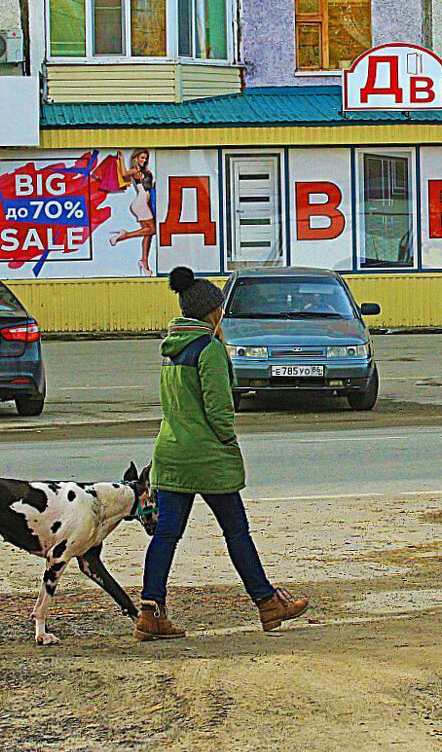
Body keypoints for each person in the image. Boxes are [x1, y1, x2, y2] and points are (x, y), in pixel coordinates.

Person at [135, 267, 309, 640]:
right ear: (212, 311)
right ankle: (267, 603)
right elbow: (218, 410)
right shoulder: (209, 350)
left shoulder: (171, 349)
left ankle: (150, 612)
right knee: (236, 533)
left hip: (171, 452)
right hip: (208, 456)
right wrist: (227, 441)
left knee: (165, 535)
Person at [107, 148, 156, 277]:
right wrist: (121, 160)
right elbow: (124, 174)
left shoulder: (146, 171)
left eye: (145, 158)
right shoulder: (136, 171)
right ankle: (124, 235)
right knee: (152, 230)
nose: (144, 160)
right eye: (142, 158)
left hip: (144, 203)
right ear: (136, 158)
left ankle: (144, 263)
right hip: (140, 203)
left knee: (148, 234)